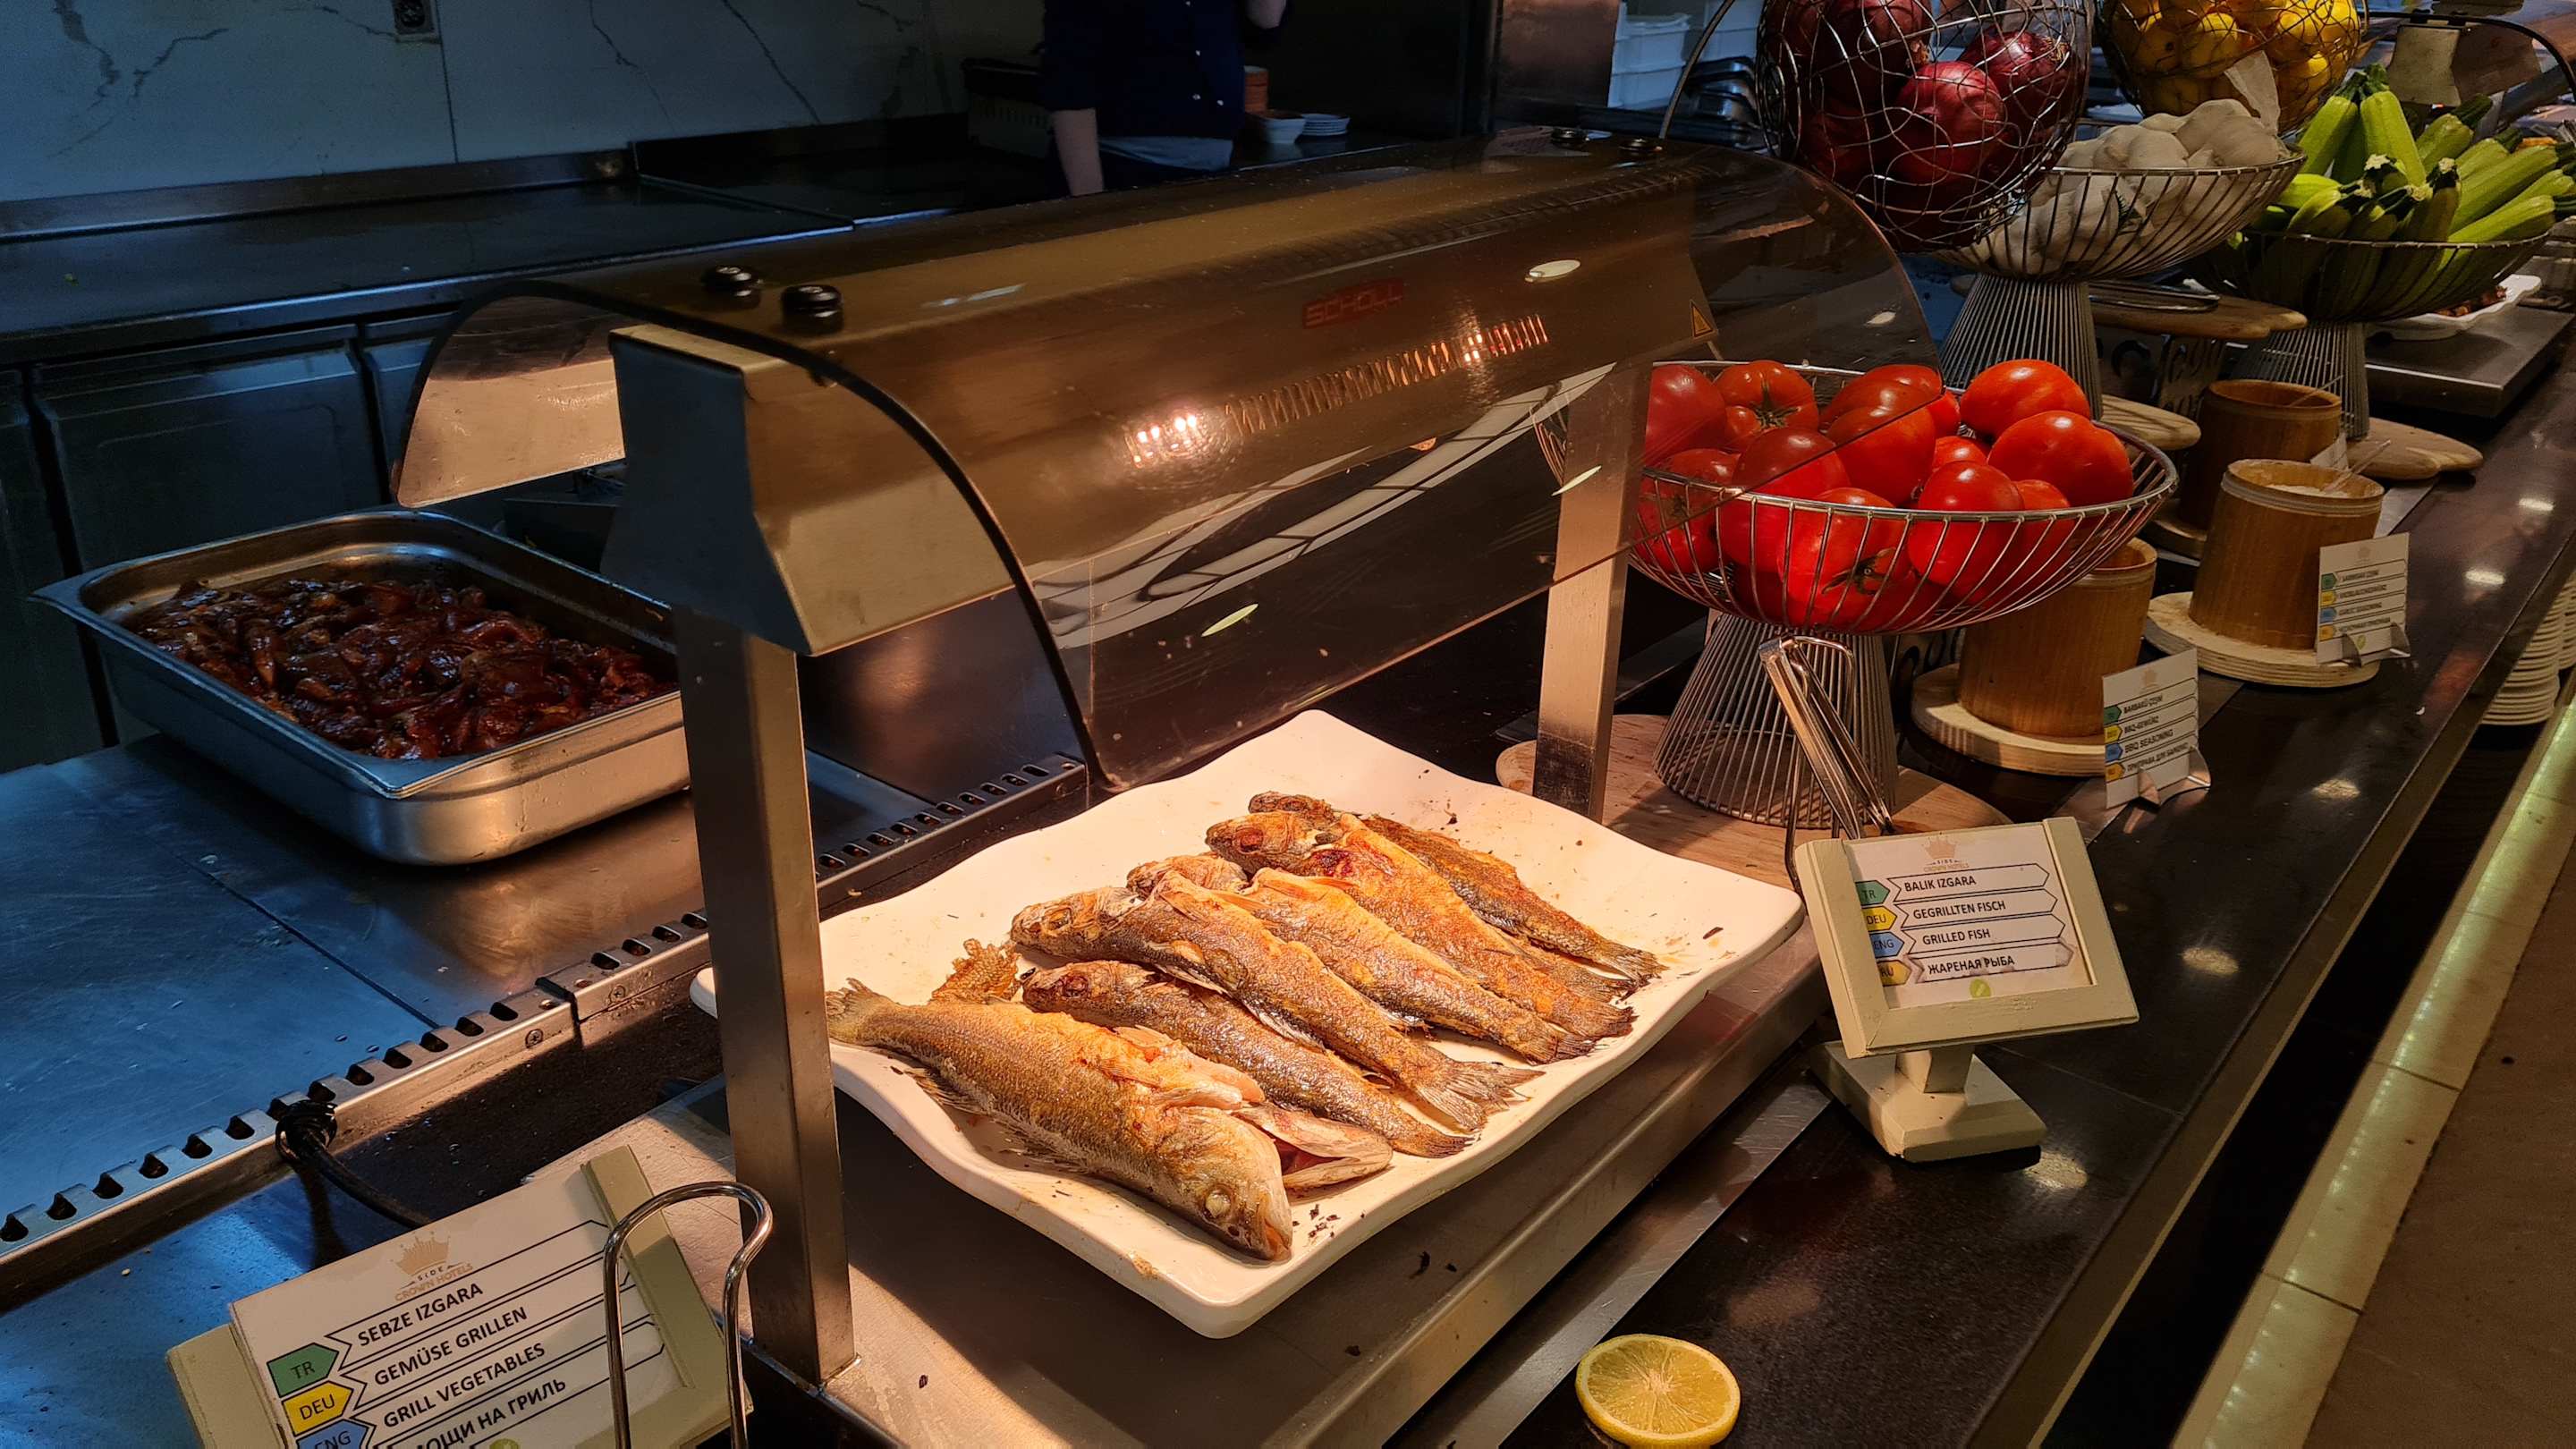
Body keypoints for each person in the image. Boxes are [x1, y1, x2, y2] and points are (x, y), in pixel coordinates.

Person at [1041, 1, 1290, 196]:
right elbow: (1069, 83)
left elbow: (1266, 23)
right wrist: (1090, 205)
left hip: (1214, 170)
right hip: (1123, 166)